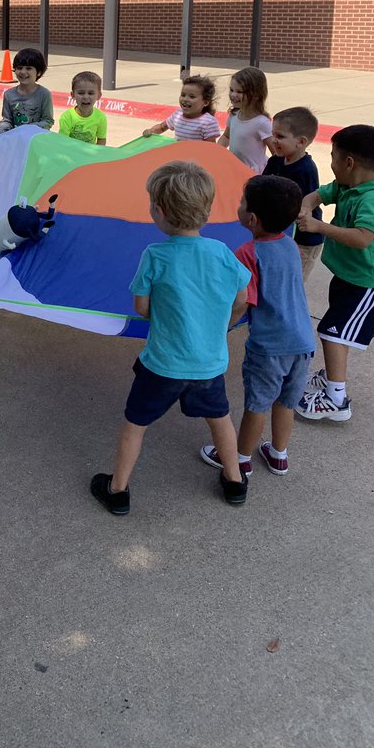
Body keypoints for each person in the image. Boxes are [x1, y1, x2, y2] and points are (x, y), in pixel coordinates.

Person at [90, 161, 251, 515]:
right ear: (207, 211)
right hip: (209, 364)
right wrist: (221, 322)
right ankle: (235, 481)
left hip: (163, 364)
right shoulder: (222, 253)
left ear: (158, 212)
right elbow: (242, 298)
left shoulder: (155, 255)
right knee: (220, 417)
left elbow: (143, 308)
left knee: (136, 424)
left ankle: (117, 490)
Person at [200, 175, 314, 478]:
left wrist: (219, 328)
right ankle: (279, 455)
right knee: (286, 402)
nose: (238, 205)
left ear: (251, 218)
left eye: (241, 202)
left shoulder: (248, 254)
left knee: (257, 404)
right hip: (303, 342)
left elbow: (242, 302)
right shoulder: (289, 245)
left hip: (270, 347)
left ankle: (240, 458)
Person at [295, 124, 374, 423]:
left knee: (332, 332)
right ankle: (331, 379)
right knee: (336, 332)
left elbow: (363, 238)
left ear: (349, 163)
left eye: (334, 157)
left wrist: (319, 226)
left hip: (369, 283)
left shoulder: (372, 200)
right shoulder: (347, 185)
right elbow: (315, 196)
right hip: (348, 276)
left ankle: (336, 399)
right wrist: (306, 208)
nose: (332, 162)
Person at [263, 107, 322, 280]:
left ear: (301, 142)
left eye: (280, 136)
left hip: (304, 239)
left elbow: (302, 205)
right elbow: (261, 186)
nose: (273, 140)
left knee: (293, 281)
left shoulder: (306, 170)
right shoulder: (276, 161)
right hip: (282, 232)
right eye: (273, 134)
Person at [218, 66, 272, 172]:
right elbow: (226, 136)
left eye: (239, 92)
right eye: (231, 90)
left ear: (256, 94)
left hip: (252, 172)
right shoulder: (234, 115)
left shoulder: (261, 123)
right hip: (235, 167)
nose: (233, 95)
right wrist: (217, 150)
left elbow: (276, 151)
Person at [142, 74, 220, 142]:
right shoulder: (178, 114)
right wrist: (151, 131)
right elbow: (162, 127)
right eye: (183, 95)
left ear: (205, 102)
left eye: (192, 96)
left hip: (196, 158)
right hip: (179, 155)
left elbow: (210, 148)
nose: (185, 99)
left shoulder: (208, 122)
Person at [0, 47, 54, 132]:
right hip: (16, 139)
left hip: (35, 139)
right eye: (19, 68)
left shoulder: (44, 94)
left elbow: (48, 121)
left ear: (39, 72)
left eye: (28, 68)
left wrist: (28, 129)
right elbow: (7, 121)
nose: (23, 72)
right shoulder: (9, 94)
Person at [58, 71, 107, 144]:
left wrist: (97, 154)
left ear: (99, 95)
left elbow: (101, 140)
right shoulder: (67, 117)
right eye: (81, 93)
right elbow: (63, 142)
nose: (86, 97)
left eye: (91, 93)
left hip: (90, 154)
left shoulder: (101, 117)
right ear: (73, 95)